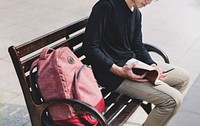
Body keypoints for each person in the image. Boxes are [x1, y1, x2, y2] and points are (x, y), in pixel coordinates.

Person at [83, 0, 190, 125]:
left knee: (183, 77)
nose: (149, 2)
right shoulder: (106, 6)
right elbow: (90, 48)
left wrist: (153, 66)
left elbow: (138, 46)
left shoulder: (136, 13)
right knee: (172, 101)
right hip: (110, 74)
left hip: (132, 65)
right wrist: (119, 71)